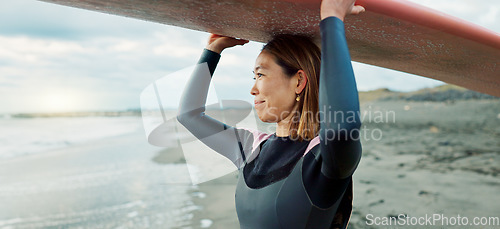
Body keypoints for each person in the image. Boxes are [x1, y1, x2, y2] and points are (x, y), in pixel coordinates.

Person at [177, 0, 365, 228]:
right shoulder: (251, 147)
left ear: (299, 81)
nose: (253, 89)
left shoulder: (323, 157)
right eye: (253, 77)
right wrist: (213, 50)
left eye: (261, 75)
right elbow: (189, 115)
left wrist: (332, 19)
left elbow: (343, 127)